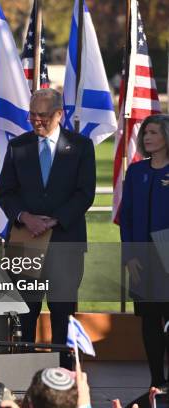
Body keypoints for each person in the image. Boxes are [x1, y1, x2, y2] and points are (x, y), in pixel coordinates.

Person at [0, 88, 96, 367]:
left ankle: (63, 375)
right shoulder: (19, 146)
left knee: (62, 311)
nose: (36, 121)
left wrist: (54, 220)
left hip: (65, 241)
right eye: (32, 115)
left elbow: (85, 193)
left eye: (43, 115)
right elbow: (5, 192)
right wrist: (24, 216)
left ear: (59, 114)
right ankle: (27, 372)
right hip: (26, 242)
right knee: (27, 312)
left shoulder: (80, 146)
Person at [119, 114, 169, 387]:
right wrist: (130, 256)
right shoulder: (137, 172)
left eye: (153, 132)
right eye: (145, 133)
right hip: (143, 261)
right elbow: (125, 217)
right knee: (150, 322)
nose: (147, 137)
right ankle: (156, 381)